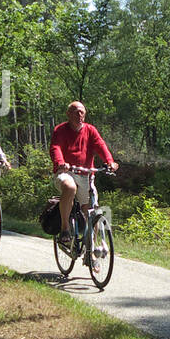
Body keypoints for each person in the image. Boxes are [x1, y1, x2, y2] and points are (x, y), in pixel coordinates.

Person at [50, 101, 117, 245]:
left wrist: (110, 161)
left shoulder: (90, 130)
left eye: (82, 112)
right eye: (76, 112)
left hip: (86, 174)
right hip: (66, 172)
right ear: (68, 114)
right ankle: (65, 229)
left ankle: (91, 250)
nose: (79, 115)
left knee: (91, 211)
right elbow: (55, 147)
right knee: (70, 187)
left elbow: (100, 145)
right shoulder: (60, 130)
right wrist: (60, 162)